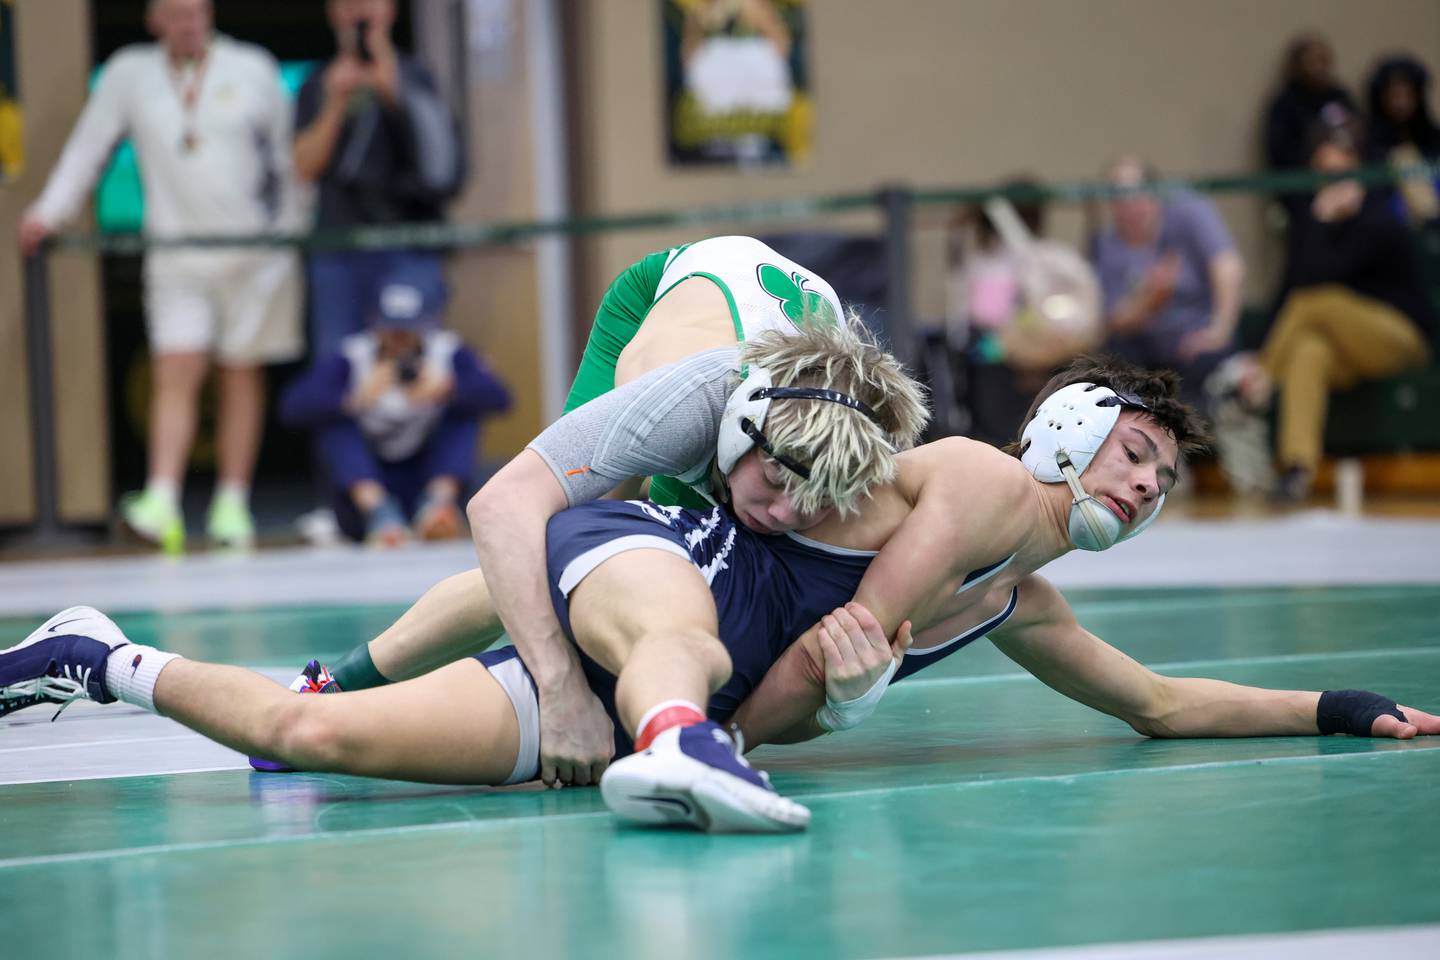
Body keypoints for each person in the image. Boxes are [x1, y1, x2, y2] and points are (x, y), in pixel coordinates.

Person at [6, 358, 1433, 834]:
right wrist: (801, 712)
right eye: (1135, 454)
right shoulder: (987, 483)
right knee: (686, 645)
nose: (1149, 485)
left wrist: (1339, 705)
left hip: (663, 673)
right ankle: (677, 744)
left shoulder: (1024, 598)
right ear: (1069, 430)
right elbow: (825, 659)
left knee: (308, 744)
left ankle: (99, 658)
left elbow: (1162, 704)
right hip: (667, 556)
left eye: (1167, 481)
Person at [461, 234, 927, 790]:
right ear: (737, 435)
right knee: (561, 538)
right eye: (774, 481)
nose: (781, 513)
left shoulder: (849, 465)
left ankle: (672, 721)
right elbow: (501, 504)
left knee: (701, 586)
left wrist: (846, 703)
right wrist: (559, 685)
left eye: (813, 503)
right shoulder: (680, 405)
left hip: (791, 374)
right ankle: (361, 674)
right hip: (679, 306)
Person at [16, 0, 303, 552]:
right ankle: (162, 500)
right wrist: (48, 213)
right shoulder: (128, 72)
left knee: (241, 372)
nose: (189, 24)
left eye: (197, 12)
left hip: (253, 258)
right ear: (154, 20)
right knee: (175, 369)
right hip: (173, 256)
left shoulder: (253, 67)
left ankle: (232, 505)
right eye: (176, 14)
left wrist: (288, 235)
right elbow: (87, 149)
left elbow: (287, 163)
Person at [1210, 116, 1437, 502]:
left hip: (1401, 337)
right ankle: (1297, 470)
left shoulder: (1379, 216)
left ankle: (1254, 385)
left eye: (1341, 172)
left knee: (1316, 301)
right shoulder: (1313, 219)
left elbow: (1323, 276)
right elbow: (1291, 285)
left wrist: (1322, 220)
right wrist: (1317, 221)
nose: (1333, 183)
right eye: (1325, 174)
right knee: (1308, 352)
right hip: (1347, 344)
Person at [279, 263, 511, 546]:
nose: (400, 342)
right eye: (391, 331)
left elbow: (502, 398)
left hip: (426, 478)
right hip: (367, 493)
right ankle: (380, 515)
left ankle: (437, 509)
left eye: (408, 331)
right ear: (375, 324)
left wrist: (449, 388)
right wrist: (354, 397)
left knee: (464, 414)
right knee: (335, 422)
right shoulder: (353, 357)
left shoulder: (447, 352)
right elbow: (291, 406)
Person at [294, 0, 465, 358]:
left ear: (389, 10)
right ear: (332, 13)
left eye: (367, 4)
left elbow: (444, 167)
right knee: (339, 365)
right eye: (347, 5)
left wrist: (395, 91)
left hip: (409, 244)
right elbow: (303, 167)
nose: (358, 14)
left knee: (409, 360)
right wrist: (335, 102)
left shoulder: (418, 76)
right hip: (338, 248)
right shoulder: (317, 82)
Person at [1090, 157, 1246, 413]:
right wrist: (1149, 298)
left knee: (1208, 368)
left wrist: (1218, 331)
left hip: (1201, 332)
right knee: (1112, 360)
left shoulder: (1187, 209)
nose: (1129, 207)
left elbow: (1228, 266)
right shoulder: (1107, 243)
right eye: (1118, 199)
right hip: (1147, 345)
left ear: (1154, 193)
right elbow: (1115, 320)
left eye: (1136, 194)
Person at [1364, 55, 1440, 223]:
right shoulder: (1367, 140)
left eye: (1408, 95)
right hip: (1391, 225)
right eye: (1394, 96)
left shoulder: (1432, 136)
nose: (1401, 104)